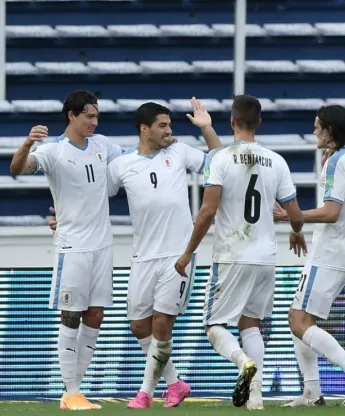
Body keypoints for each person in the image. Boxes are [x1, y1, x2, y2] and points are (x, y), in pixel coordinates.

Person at [47, 99, 221, 409]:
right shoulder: (121, 165)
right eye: (163, 126)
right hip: (142, 256)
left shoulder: (180, 153)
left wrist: (206, 127)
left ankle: (145, 391)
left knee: (161, 323)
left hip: (177, 255)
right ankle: (175, 383)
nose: (169, 131)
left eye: (170, 125)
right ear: (145, 129)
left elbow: (220, 161)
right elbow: (93, 195)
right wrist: (63, 216)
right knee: (139, 325)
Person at [173, 95, 308, 411]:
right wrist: (296, 230)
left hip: (232, 254)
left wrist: (186, 253)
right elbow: (297, 215)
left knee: (214, 326)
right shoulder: (277, 161)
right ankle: (256, 397)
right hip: (265, 257)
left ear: (232, 121)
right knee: (251, 325)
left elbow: (207, 212)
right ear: (259, 123)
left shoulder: (220, 159)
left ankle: (242, 361)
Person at [10, 91, 123, 410]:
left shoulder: (104, 146)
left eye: (97, 116)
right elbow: (18, 168)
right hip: (72, 245)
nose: (94, 122)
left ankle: (77, 391)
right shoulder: (54, 151)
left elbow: (130, 162)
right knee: (70, 314)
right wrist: (26, 144)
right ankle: (70, 390)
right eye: (88, 116)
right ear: (71, 116)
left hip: (103, 244)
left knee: (96, 315)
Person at [273, 105, 345, 408]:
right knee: (302, 317)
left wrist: (292, 217)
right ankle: (311, 392)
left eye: (318, 126)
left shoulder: (337, 163)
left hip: (328, 251)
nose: (314, 131)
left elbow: (332, 212)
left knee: (297, 321)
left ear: (330, 130)